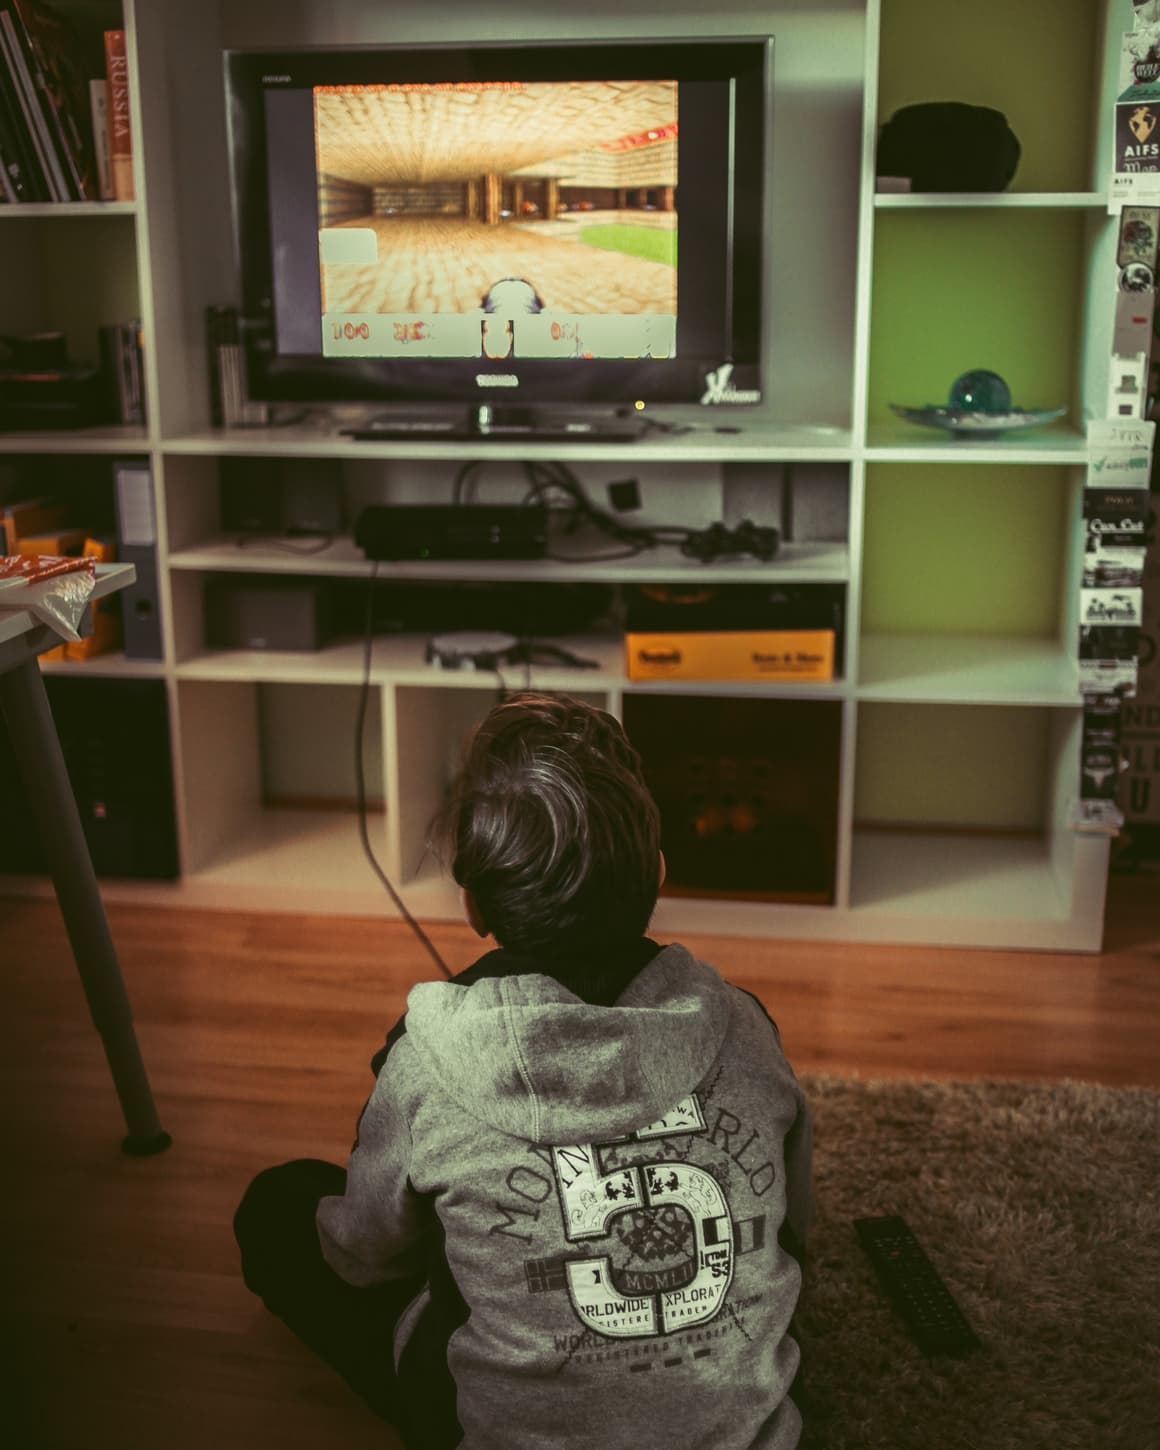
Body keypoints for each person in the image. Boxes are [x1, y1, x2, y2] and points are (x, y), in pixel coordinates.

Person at [234, 691, 813, 1449]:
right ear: (660, 871)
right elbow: (793, 1227)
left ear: (473, 904)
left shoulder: (428, 1058)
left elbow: (366, 1257)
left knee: (279, 1206)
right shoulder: (744, 1024)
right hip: (752, 1436)